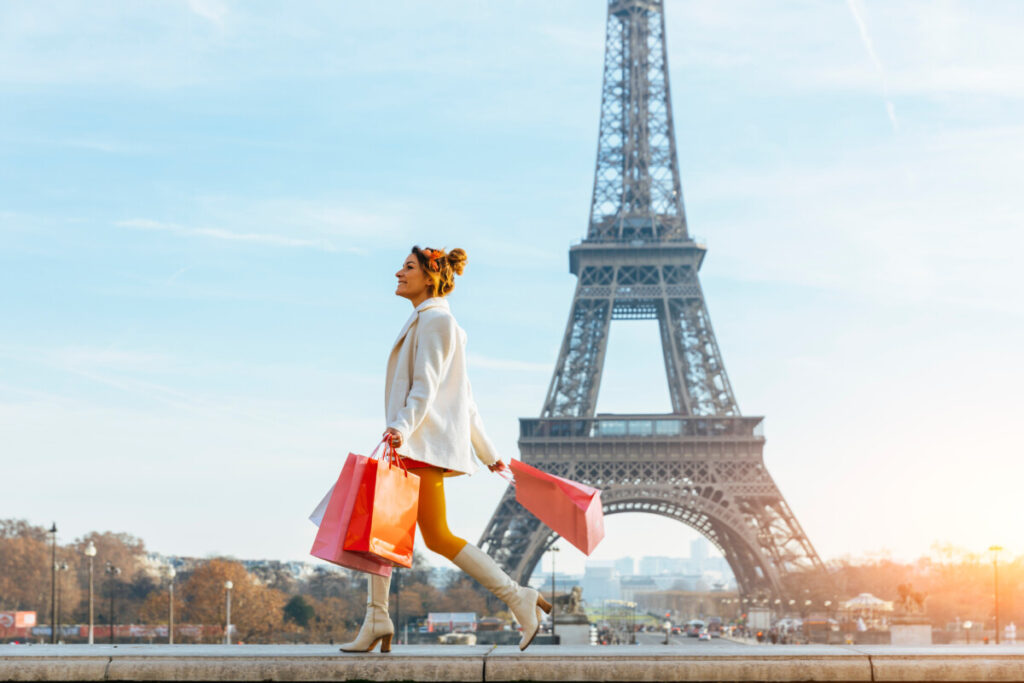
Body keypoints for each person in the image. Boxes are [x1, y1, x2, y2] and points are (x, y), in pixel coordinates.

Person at [339, 246, 552, 654]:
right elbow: (464, 399)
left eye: (408, 267)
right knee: (383, 530)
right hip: (413, 442)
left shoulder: (437, 321)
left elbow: (429, 387)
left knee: (433, 535)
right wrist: (487, 452)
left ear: (430, 277)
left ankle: (515, 597)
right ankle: (376, 616)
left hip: (419, 443)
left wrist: (400, 427)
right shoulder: (430, 320)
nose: (398, 273)